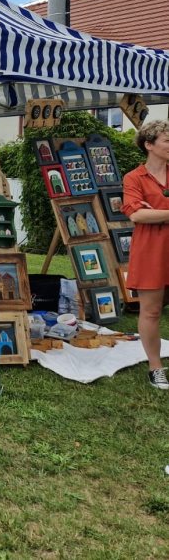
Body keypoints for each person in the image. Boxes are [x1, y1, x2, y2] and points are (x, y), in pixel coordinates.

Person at [122, 119, 169, 390]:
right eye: (167, 141)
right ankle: (155, 367)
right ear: (149, 145)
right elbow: (137, 215)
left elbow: (146, 213)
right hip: (151, 249)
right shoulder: (134, 177)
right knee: (151, 311)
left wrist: (156, 213)